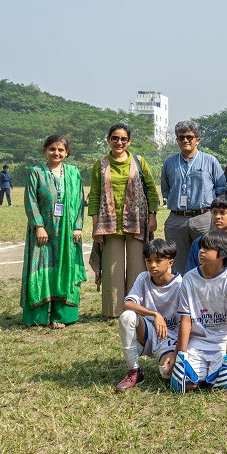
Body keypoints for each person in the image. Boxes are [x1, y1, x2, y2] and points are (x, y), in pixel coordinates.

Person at [89, 123, 159, 319]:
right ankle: (114, 311)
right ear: (108, 139)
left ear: (129, 141)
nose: (119, 142)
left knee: (138, 267)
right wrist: (95, 225)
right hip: (109, 223)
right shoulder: (100, 165)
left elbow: (152, 190)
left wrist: (152, 215)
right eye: (115, 138)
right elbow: (94, 195)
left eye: (123, 139)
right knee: (113, 269)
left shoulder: (139, 162)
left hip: (137, 222)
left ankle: (136, 310)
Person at [21, 135, 87, 328]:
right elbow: (30, 200)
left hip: (67, 232)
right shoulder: (36, 172)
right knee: (41, 268)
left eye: (61, 150)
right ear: (45, 150)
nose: (56, 153)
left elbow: (79, 201)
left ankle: (61, 316)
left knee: (65, 268)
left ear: (67, 153)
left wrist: (77, 226)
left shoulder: (73, 173)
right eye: (52, 149)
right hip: (43, 232)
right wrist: (39, 226)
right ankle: (38, 316)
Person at [169, 230, 227, 393]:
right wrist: (181, 356)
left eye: (207, 248)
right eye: (201, 247)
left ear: (223, 254)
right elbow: (186, 320)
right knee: (187, 384)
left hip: (222, 341)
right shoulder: (189, 278)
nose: (201, 251)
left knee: (220, 385)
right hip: (197, 341)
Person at [114, 238, 183, 391]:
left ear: (170, 262)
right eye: (148, 260)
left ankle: (166, 358)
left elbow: (187, 322)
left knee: (166, 374)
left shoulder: (180, 285)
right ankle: (135, 371)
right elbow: (128, 304)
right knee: (127, 316)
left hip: (170, 338)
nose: (152, 265)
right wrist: (155, 314)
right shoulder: (143, 278)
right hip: (148, 333)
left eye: (158, 260)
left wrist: (177, 351)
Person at [161, 120, 226, 274]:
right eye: (181, 137)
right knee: (177, 263)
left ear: (198, 140)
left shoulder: (210, 161)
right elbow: (165, 189)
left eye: (189, 137)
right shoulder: (169, 163)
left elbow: (221, 189)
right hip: (177, 219)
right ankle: (182, 294)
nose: (185, 140)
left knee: (208, 258)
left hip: (203, 217)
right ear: (177, 140)